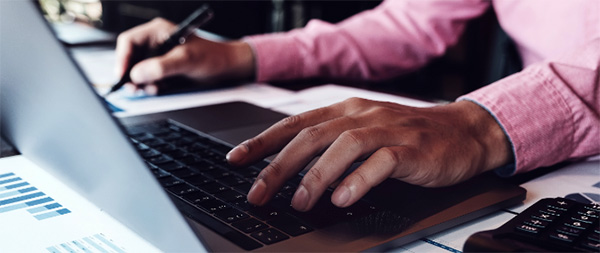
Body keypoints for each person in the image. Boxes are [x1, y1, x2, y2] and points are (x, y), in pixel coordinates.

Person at [115, 0, 600, 212]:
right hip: (547, 161)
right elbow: (409, 24)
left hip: (529, 136)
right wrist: (245, 55)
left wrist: (482, 127)